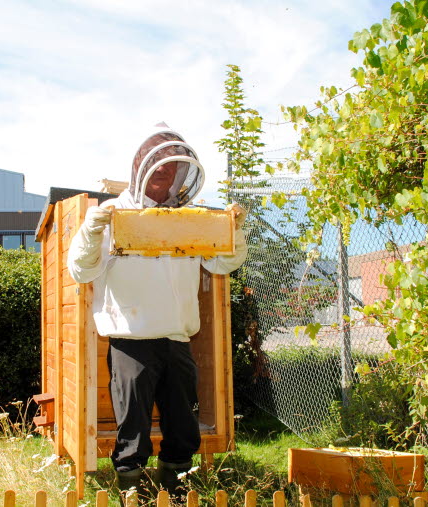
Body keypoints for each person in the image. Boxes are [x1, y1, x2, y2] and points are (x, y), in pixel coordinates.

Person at [66, 123, 248, 498]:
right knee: (132, 429)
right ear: (140, 168)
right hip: (130, 341)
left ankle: (176, 493)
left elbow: (223, 264)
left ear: (182, 173)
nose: (163, 173)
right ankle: (131, 494)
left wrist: (234, 232)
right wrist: (91, 231)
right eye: (157, 166)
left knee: (183, 426)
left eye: (171, 167)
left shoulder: (190, 219)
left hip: (177, 339)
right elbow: (81, 271)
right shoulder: (114, 213)